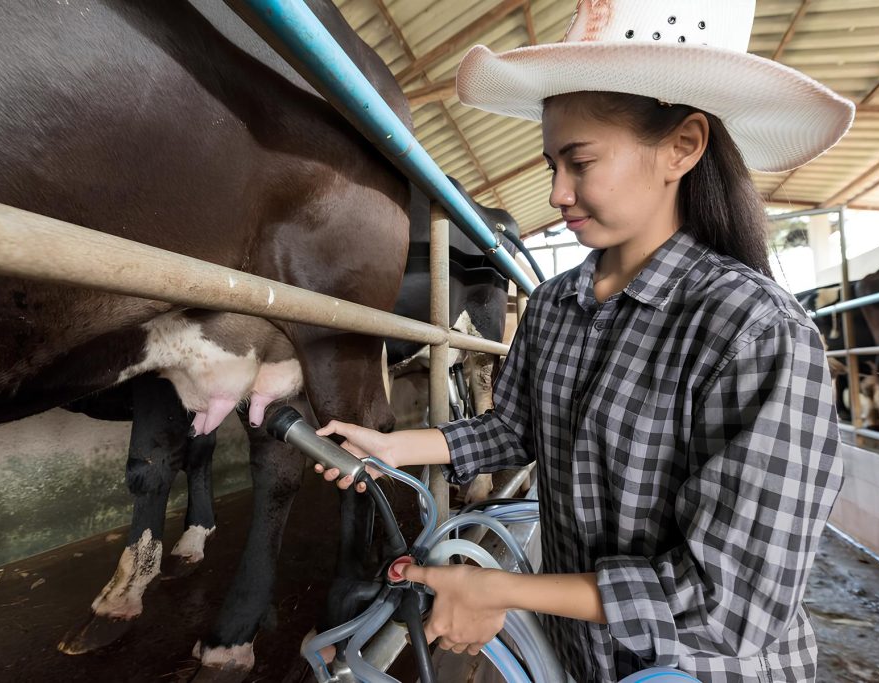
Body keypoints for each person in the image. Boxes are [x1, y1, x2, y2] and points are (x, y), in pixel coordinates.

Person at [315, 1, 851, 680]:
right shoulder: (553, 305)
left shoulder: (754, 332)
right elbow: (514, 429)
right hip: (586, 658)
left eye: (579, 161)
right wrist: (393, 447)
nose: (558, 192)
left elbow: (732, 605)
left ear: (682, 147)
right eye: (550, 164)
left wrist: (499, 590)